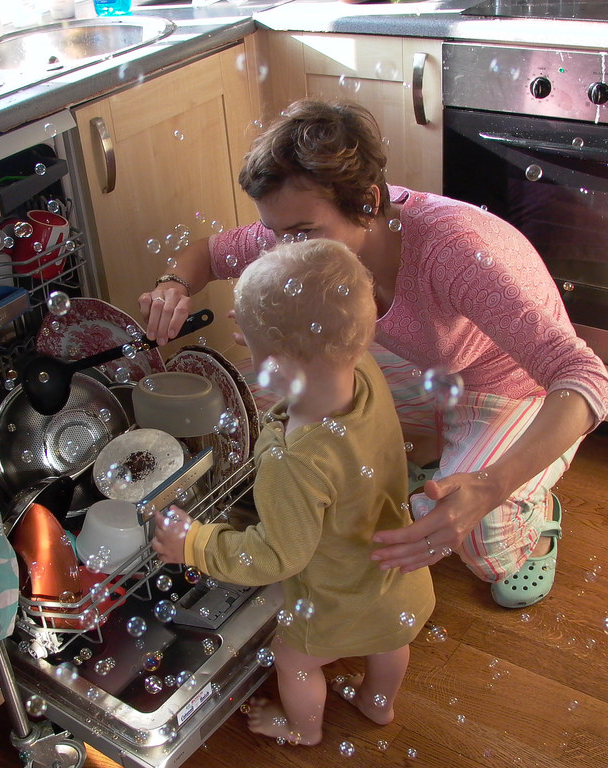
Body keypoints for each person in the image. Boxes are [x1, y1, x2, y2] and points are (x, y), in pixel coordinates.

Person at [140, 99, 608, 608]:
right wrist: (172, 284)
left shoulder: (457, 252)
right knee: (249, 396)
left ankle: (534, 516)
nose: (282, 252)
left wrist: (489, 484)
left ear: (367, 202)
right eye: (274, 233)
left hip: (516, 389)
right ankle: (426, 455)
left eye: (301, 233)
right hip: (429, 372)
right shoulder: (291, 229)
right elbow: (208, 254)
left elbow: (586, 377)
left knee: (480, 538)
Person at [151, 238, 435, 745]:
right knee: (391, 641)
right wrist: (272, 337)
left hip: (334, 596)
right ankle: (378, 701)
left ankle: (301, 730)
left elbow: (276, 556)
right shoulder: (362, 369)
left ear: (279, 366)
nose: (247, 350)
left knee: (294, 660)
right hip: (397, 581)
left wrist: (193, 542)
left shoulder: (296, 462)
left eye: (250, 347)